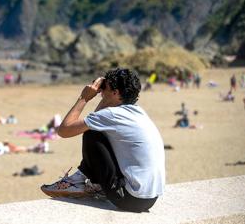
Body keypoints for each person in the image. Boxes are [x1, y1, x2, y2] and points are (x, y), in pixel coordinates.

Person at [40, 68, 165, 213]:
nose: (100, 92)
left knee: (91, 133)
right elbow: (97, 117)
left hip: (129, 198)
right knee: (95, 128)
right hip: (149, 198)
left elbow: (64, 130)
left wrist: (84, 98)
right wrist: (105, 94)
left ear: (116, 93)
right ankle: (90, 184)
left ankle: (77, 183)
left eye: (104, 88)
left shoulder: (112, 115)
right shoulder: (137, 112)